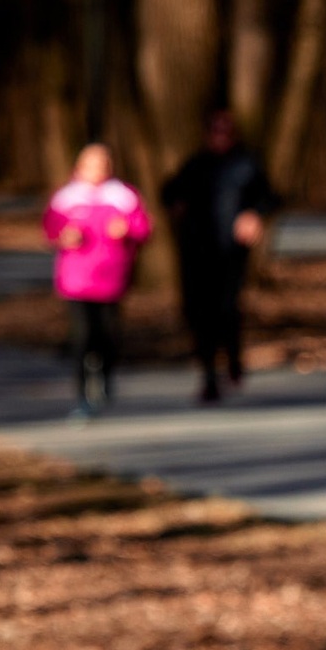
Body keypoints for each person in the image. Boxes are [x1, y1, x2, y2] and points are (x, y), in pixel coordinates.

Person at [160, 110, 278, 403]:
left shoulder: (247, 164)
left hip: (231, 252)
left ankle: (234, 361)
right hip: (198, 252)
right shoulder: (195, 165)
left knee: (227, 309)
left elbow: (269, 197)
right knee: (200, 313)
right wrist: (176, 205)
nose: (220, 137)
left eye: (226, 131)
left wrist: (254, 215)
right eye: (215, 131)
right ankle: (209, 375)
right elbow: (169, 191)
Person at [43, 143, 150, 420]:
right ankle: (81, 395)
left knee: (108, 335)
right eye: (92, 164)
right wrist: (64, 236)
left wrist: (127, 230)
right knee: (81, 337)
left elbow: (143, 228)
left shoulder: (123, 196)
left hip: (112, 279)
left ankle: (104, 377)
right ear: (79, 167)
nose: (97, 170)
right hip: (76, 280)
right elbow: (50, 228)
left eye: (103, 164)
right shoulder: (66, 198)